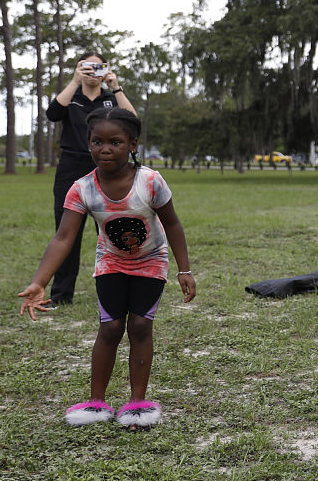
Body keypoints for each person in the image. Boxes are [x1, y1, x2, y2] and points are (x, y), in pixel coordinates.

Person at [18, 108, 196, 429]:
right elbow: (64, 237)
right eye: (97, 142)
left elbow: (172, 223)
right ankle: (96, 403)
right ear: (88, 145)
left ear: (132, 145)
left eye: (115, 142)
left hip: (151, 260)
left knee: (140, 326)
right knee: (111, 328)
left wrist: (185, 270)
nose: (105, 149)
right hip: (111, 261)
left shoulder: (150, 181)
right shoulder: (82, 188)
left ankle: (137, 403)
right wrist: (40, 281)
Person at [43, 52, 136, 309]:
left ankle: (116, 292)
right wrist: (73, 82)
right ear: (78, 68)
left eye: (98, 66)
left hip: (106, 168)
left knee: (110, 231)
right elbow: (52, 114)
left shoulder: (110, 99)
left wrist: (116, 87)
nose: (92, 71)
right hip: (71, 167)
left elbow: (132, 120)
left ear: (105, 69)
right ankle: (61, 295)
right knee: (66, 231)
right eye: (87, 66)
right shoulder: (71, 97)